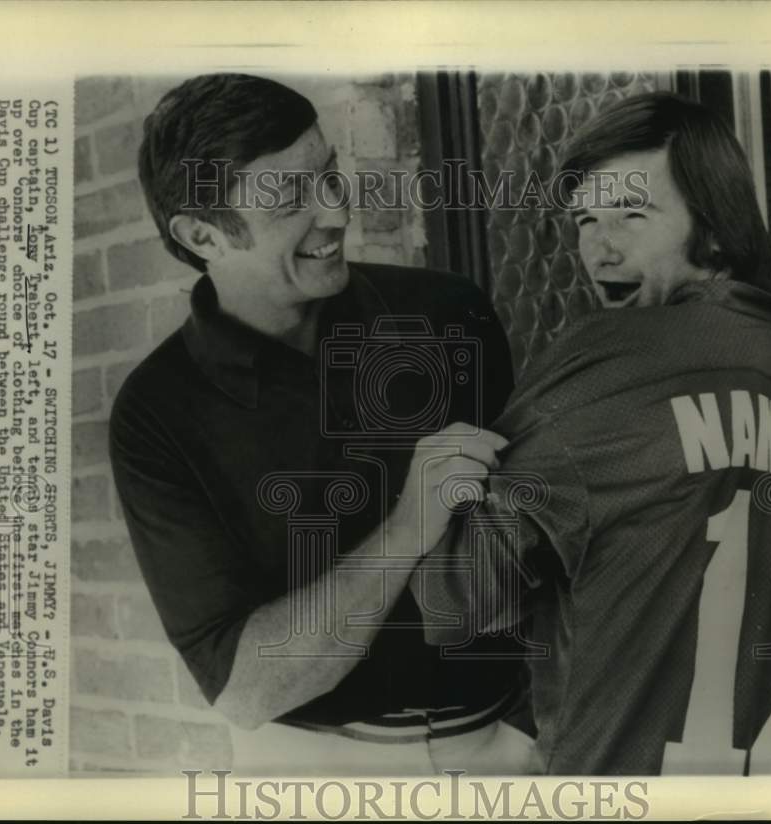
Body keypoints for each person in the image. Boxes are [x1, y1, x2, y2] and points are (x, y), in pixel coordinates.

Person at [416, 92, 771, 775]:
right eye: (586, 218)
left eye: (632, 214)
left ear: (712, 226)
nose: (598, 246)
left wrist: (432, 493)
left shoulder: (613, 358)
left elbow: (458, 598)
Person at [109, 73, 532, 775]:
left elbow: (543, 550)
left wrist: (531, 730)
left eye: (329, 176)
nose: (334, 213)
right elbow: (246, 689)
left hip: (505, 748)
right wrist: (408, 527)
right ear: (201, 234)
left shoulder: (449, 314)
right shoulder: (156, 414)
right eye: (289, 198)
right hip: (308, 775)